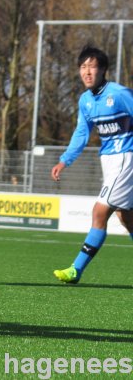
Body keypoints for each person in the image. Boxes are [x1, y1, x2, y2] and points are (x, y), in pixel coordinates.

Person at [51, 45, 133, 284]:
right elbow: (81, 133)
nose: (87, 72)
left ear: (103, 70)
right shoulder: (85, 101)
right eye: (83, 67)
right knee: (126, 218)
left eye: (92, 67)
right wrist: (64, 160)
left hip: (126, 158)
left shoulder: (119, 94)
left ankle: (76, 269)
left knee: (99, 211)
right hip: (110, 162)